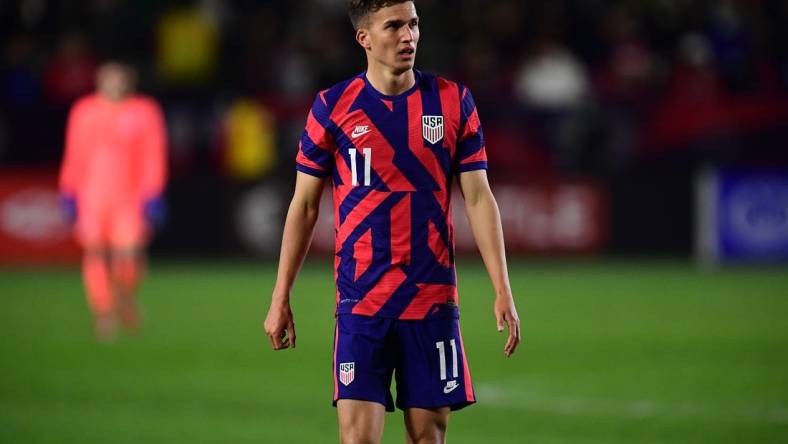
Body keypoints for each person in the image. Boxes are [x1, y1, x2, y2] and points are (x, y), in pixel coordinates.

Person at [263, 1, 520, 443]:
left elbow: (478, 197)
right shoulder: (332, 107)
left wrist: (503, 287)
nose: (409, 36)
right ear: (364, 38)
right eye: (395, 26)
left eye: (414, 24)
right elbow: (304, 205)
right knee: (358, 437)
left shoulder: (453, 101)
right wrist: (280, 294)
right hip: (362, 300)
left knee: (429, 437)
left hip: (431, 298)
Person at [59, 61, 168, 342]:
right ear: (99, 82)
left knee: (129, 254)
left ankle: (125, 295)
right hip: (92, 194)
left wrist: (153, 193)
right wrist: (68, 190)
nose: (115, 85)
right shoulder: (84, 111)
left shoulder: (145, 111)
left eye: (120, 80)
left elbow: (153, 154)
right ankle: (103, 312)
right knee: (95, 252)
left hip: (129, 196)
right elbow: (74, 152)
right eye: (110, 79)